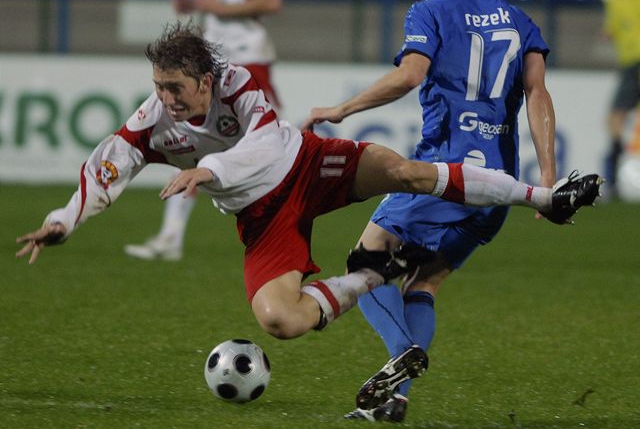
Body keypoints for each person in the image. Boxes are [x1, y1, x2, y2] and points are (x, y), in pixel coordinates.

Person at [16, 23, 600, 344]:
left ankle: (545, 195)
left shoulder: (238, 83)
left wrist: (209, 170)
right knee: (280, 321)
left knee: (407, 171)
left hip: (307, 165)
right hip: (261, 217)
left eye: (174, 87)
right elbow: (107, 165)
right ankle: (373, 274)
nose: (165, 98)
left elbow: (268, 143)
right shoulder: (154, 122)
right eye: (159, 86)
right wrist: (66, 219)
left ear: (205, 80)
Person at [303, 0, 601, 422]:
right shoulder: (520, 18)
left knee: (365, 262)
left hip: (444, 175)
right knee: (425, 283)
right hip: (497, 185)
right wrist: (546, 181)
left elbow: (410, 75)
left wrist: (342, 110)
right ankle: (394, 402)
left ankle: (402, 352)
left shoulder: (429, 11)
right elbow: (537, 94)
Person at [124, 0, 283, 261]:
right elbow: (221, 1)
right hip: (218, 57)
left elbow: (271, 0)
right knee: (194, 147)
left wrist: (221, 9)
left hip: (246, 58)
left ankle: (282, 230)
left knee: (268, 147)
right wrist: (197, 5)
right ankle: (170, 235)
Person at [602, 0, 640, 198]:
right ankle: (615, 179)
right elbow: (612, 30)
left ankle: (615, 179)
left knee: (616, 118)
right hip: (629, 64)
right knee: (615, 119)